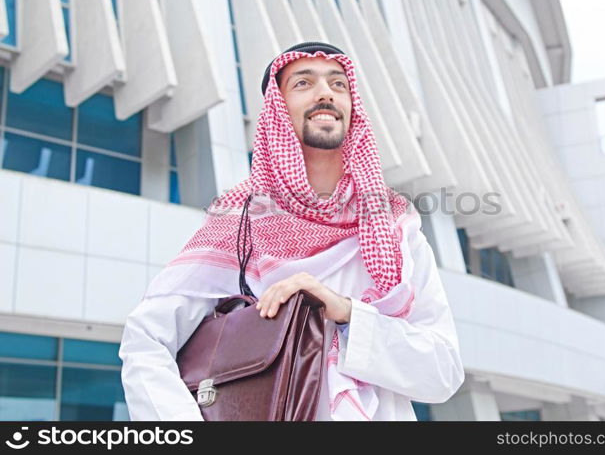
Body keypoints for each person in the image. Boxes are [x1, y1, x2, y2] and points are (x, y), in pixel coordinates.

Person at [118, 42, 465, 421]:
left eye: (338, 83)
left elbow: (443, 372)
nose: (325, 93)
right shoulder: (241, 220)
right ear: (277, 111)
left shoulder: (396, 226)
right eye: (303, 83)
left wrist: (347, 313)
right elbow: (146, 340)